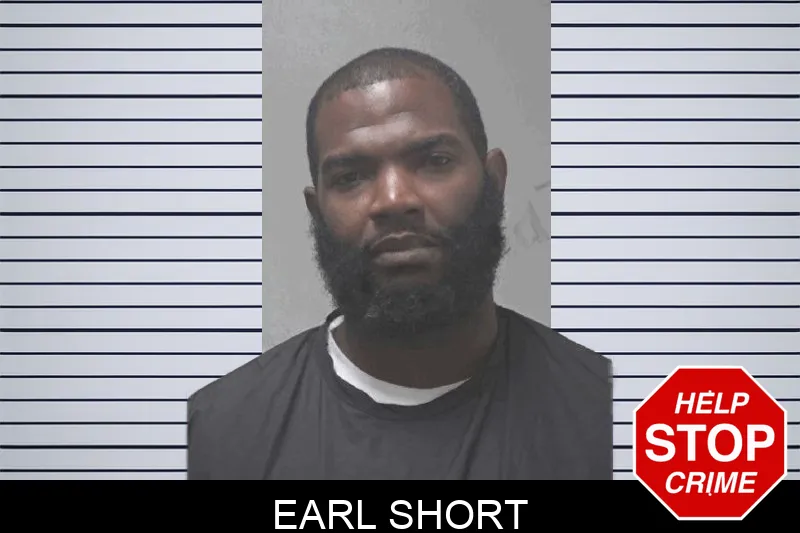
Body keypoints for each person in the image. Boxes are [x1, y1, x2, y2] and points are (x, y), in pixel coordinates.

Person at [187, 47, 613, 480]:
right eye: (350, 177)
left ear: (494, 182)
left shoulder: (612, 414)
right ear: (318, 214)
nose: (394, 200)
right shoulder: (218, 434)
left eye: (434, 162)